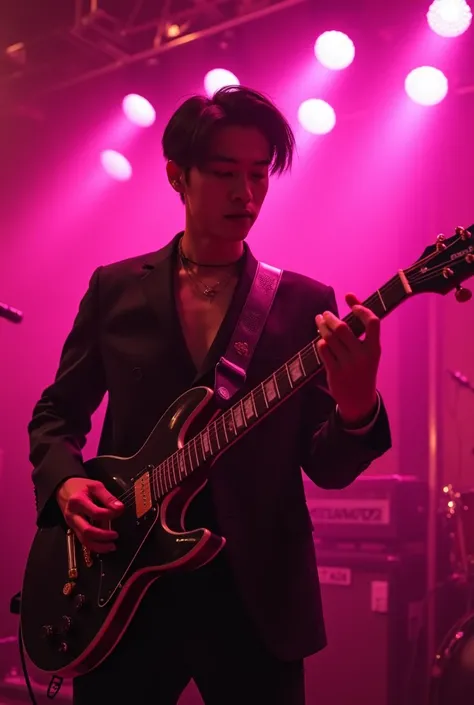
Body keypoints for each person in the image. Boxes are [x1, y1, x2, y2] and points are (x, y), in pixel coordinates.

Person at [28, 85, 392, 705]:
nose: (245, 195)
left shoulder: (302, 302)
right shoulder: (115, 288)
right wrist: (66, 485)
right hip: (121, 588)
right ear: (177, 175)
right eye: (225, 174)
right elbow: (57, 414)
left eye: (258, 175)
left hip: (255, 600)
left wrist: (357, 405)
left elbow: (327, 467)